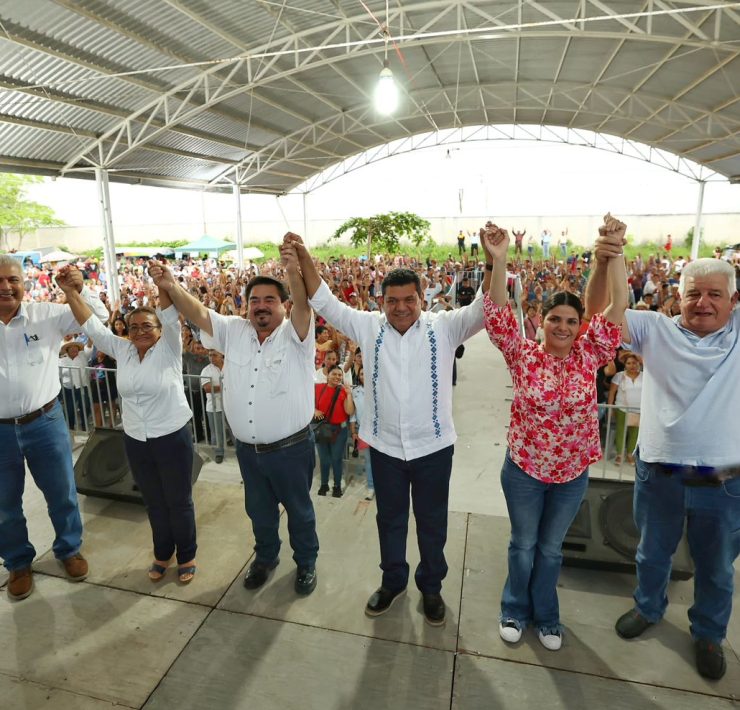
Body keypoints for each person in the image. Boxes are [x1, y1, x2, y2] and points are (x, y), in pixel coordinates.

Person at [287, 229, 492, 627]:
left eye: (409, 300)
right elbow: (323, 298)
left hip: (433, 449)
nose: (401, 308)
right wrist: (303, 254)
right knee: (390, 520)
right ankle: (393, 581)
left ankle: (431, 588)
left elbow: (486, 308)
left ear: (422, 298)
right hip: (385, 449)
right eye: (392, 301)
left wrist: (493, 260)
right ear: (381, 301)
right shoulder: (368, 326)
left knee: (432, 523)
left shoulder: (445, 327)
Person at [588, 255, 740, 681]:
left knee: (716, 567)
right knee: (652, 553)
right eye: (694, 293)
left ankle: (709, 632)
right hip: (659, 476)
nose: (704, 303)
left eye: (715, 294)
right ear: (678, 295)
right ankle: (648, 607)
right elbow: (604, 311)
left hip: (725, 482)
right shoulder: (654, 329)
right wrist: (612, 258)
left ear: (733, 301)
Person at [483, 215, 627, 651]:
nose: (562, 327)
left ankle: (546, 616)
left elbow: (617, 305)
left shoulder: (589, 356)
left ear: (580, 325)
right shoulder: (523, 355)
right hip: (524, 471)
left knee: (550, 550)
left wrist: (616, 250)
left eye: (570, 320)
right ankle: (514, 608)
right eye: (554, 319)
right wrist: (500, 260)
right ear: (540, 321)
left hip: (570, 476)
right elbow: (496, 313)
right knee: (523, 545)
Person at [148, 249, 320, 597]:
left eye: (270, 300)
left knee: (300, 512)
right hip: (249, 451)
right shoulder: (234, 331)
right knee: (259, 511)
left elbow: (304, 302)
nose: (261, 305)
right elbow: (197, 311)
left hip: (291, 450)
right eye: (254, 299)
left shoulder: (297, 335)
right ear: (246, 305)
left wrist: (292, 269)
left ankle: (306, 562)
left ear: (284, 306)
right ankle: (266, 558)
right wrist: (170, 284)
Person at [57, 265, 198, 584]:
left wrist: (163, 284)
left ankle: (187, 554)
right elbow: (92, 327)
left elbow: (169, 313)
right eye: (133, 327)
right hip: (136, 439)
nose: (139, 331)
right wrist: (70, 293)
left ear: (159, 329)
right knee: (154, 501)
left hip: (172, 436)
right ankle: (163, 552)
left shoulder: (169, 349)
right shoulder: (123, 350)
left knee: (178, 501)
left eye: (147, 325)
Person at [0, 256, 107, 601]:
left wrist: (79, 289)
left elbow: (100, 319)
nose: (6, 287)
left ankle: (69, 550)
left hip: (45, 422)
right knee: (4, 504)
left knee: (62, 492)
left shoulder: (47, 314)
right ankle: (17, 562)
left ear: (24, 282)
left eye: (13, 279)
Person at [314, 365, 355, 497]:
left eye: (339, 375)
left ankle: (337, 485)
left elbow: (349, 411)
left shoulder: (343, 391)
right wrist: (314, 410)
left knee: (337, 459)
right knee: (324, 459)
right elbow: (307, 403)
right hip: (323, 429)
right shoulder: (318, 388)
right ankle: (324, 484)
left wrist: (349, 395)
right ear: (328, 375)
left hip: (340, 430)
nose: (337, 377)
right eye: (334, 374)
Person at [607, 352, 642, 465]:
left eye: (634, 363)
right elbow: (612, 392)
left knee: (635, 433)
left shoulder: (644, 376)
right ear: (625, 365)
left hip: (638, 410)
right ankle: (619, 455)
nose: (632, 365)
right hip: (621, 408)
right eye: (629, 363)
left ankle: (630, 455)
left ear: (639, 364)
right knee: (620, 431)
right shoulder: (620, 376)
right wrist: (610, 408)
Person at [200, 349, 227, 464]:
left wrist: (219, 387)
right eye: (210, 355)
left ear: (222, 355)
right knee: (216, 432)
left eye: (214, 355)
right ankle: (219, 453)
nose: (211, 358)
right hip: (214, 406)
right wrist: (226, 387)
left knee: (235, 430)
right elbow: (207, 388)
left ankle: (240, 451)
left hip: (230, 405)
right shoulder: (206, 370)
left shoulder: (230, 367)